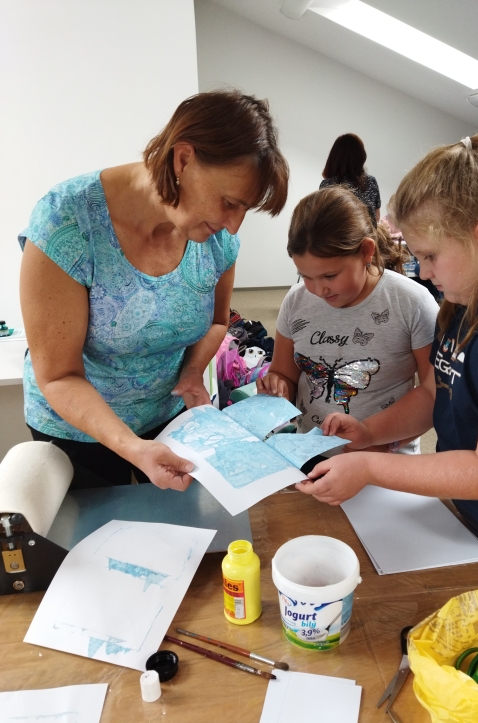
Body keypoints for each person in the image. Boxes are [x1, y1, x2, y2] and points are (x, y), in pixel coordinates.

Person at [297, 134, 478, 626]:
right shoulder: (467, 300)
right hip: (468, 511)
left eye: (429, 256)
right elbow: (434, 392)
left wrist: (369, 467)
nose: (422, 272)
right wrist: (369, 432)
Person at [19, 89, 289, 491]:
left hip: (169, 418)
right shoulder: (67, 223)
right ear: (183, 159)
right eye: (229, 202)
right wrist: (131, 446)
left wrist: (192, 372)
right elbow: (59, 376)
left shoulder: (217, 239)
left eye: (245, 209)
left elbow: (218, 322)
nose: (234, 225)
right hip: (79, 431)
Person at [256, 186, 439, 456]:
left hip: (384, 458)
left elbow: (433, 394)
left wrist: (378, 439)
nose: (318, 290)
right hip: (310, 453)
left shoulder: (412, 303)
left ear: (366, 251)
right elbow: (285, 374)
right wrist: (278, 386)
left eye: (330, 276)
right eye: (306, 276)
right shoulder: (296, 300)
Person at [320, 134, 381, 223]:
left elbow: (323, 220)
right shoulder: (371, 182)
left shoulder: (328, 185)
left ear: (335, 157)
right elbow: (376, 217)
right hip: (367, 231)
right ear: (361, 156)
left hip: (338, 232)